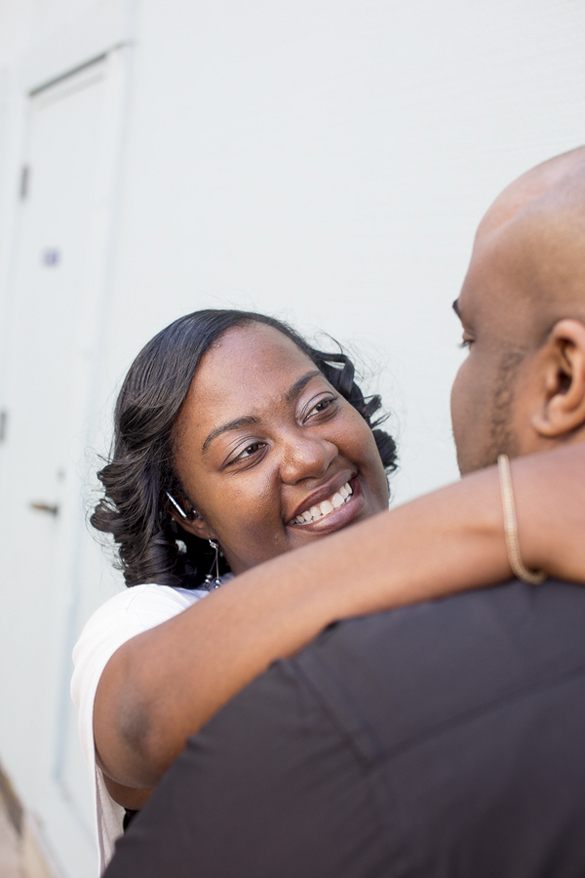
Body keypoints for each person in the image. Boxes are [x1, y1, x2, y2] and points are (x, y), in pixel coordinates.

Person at [102, 146, 585, 878]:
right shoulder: (149, 623)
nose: (304, 456)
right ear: (188, 513)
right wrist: (514, 502)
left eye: (319, 406)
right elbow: (135, 716)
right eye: (244, 453)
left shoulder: (457, 587)